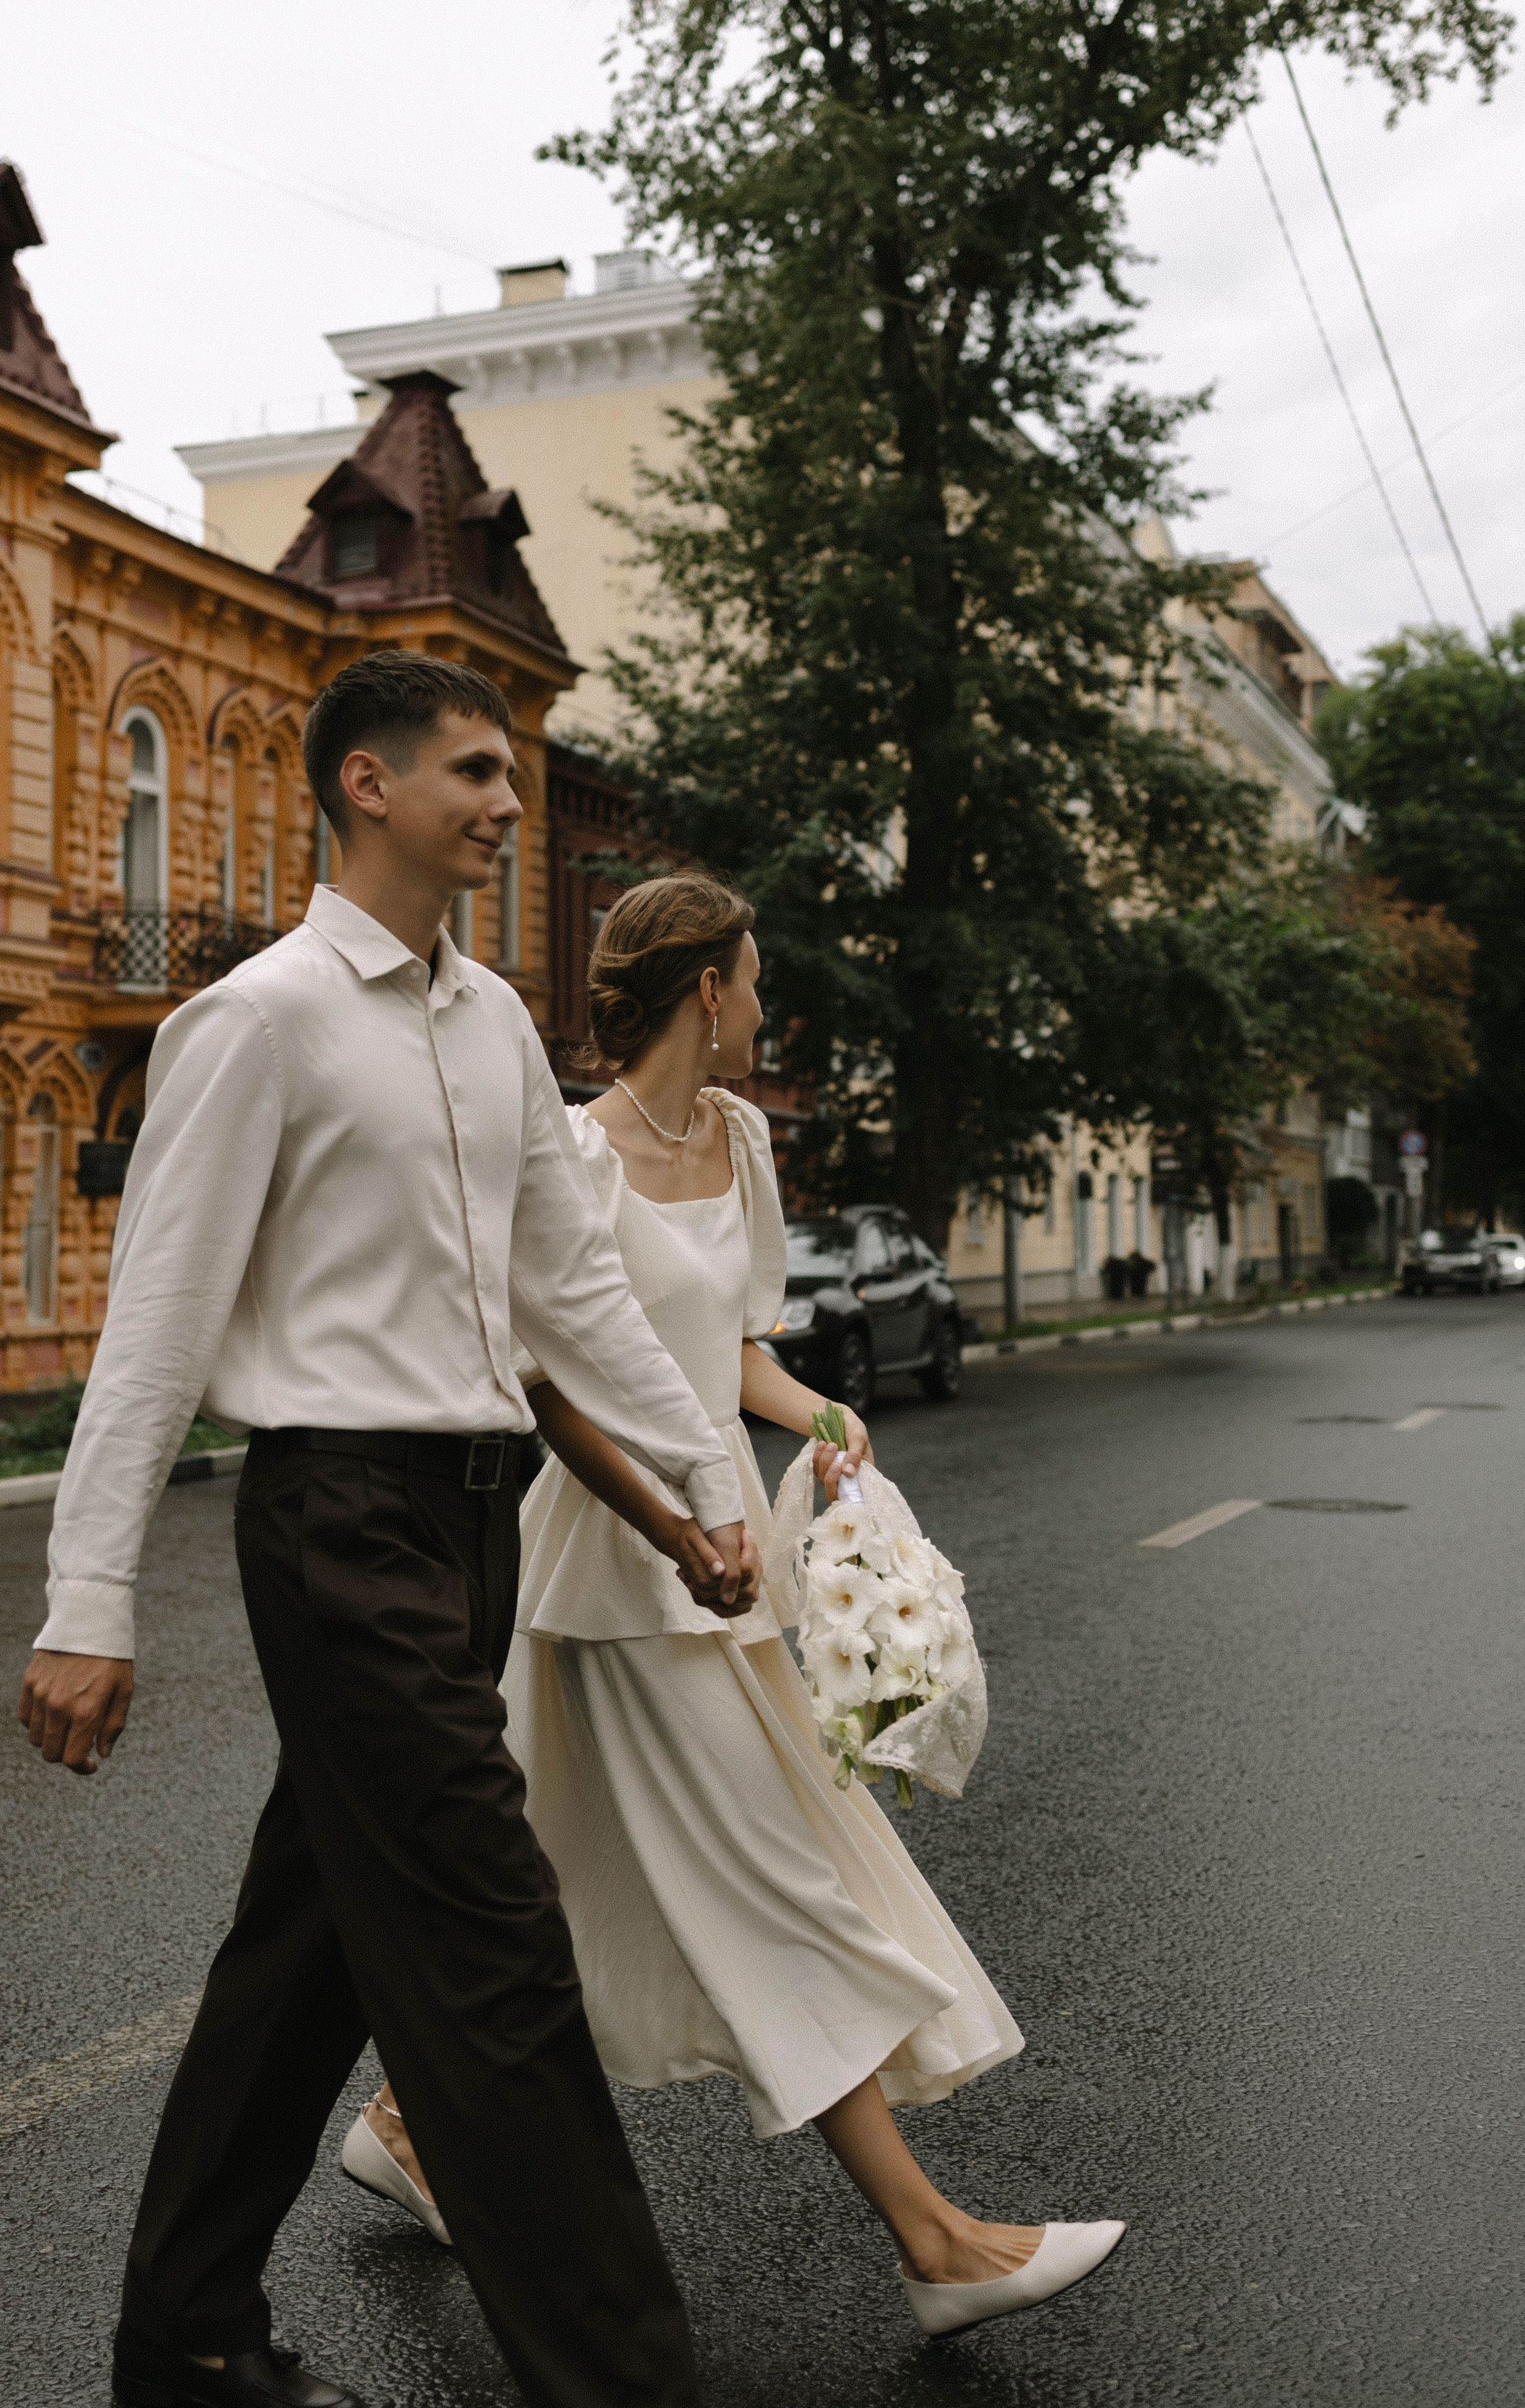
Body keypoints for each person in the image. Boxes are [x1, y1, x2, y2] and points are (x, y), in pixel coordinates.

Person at [17, 656, 765, 2408]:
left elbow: (570, 1292)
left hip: (470, 1515)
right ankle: (624, 2379)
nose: (510, 802)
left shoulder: (492, 1022)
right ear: (367, 783)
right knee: (492, 1939)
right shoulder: (259, 1018)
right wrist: (85, 1599)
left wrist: (701, 1492)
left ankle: (184, 2338)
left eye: (509, 774)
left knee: (317, 1945)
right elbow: (158, 1323)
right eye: (480, 772)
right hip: (333, 1515)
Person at [342, 875, 1124, 2340]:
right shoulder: (570, 1155)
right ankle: (935, 2243)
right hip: (621, 1561)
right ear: (707, 989)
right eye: (755, 979)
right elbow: (550, 1387)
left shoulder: (743, 1139)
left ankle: (405, 2129)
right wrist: (673, 1520)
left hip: (715, 1550)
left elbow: (734, 1351)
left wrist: (813, 1410)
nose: (766, 1004)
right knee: (775, 1881)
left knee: (575, 1874)